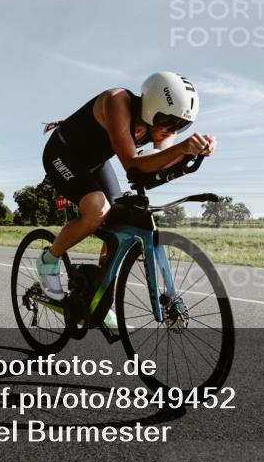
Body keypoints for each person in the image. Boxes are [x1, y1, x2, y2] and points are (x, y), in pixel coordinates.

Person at [38, 72, 215, 314]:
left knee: (120, 217)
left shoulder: (164, 127)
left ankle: (97, 295)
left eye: (181, 125)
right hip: (62, 154)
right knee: (97, 209)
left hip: (96, 162)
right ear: (151, 107)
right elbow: (132, 164)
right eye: (168, 121)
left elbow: (158, 162)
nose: (172, 130)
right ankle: (48, 260)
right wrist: (181, 150)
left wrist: (193, 152)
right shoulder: (117, 101)